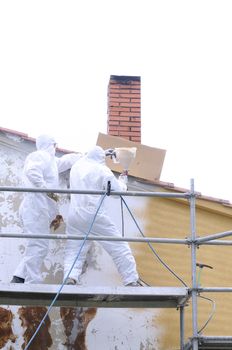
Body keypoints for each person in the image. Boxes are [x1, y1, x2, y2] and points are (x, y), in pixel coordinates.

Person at [63, 145, 143, 286]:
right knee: (118, 246)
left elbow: (87, 155)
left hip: (75, 215)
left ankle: (70, 278)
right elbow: (117, 193)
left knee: (74, 250)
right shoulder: (102, 170)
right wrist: (123, 179)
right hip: (93, 214)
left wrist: (103, 153)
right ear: (100, 159)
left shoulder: (78, 165)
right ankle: (131, 280)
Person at [11, 134, 82, 284]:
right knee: (38, 246)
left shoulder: (50, 161)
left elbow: (66, 161)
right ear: (51, 144)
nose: (56, 148)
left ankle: (18, 278)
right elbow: (32, 172)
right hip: (34, 207)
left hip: (38, 209)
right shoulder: (39, 156)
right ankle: (32, 282)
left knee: (37, 245)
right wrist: (46, 189)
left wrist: (86, 156)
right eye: (54, 145)